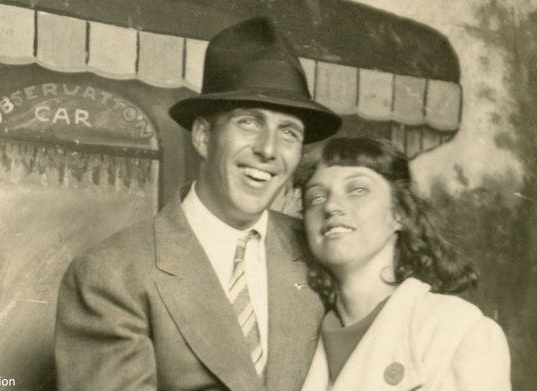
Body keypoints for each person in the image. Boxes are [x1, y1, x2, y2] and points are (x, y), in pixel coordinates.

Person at [54, 17, 341, 391]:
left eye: (288, 132)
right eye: (250, 123)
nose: (269, 150)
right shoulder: (110, 275)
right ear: (204, 137)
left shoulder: (320, 250)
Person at [298, 137, 511, 391]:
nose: (332, 206)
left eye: (357, 190)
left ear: (399, 213)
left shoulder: (458, 329)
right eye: (317, 198)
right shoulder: (303, 339)